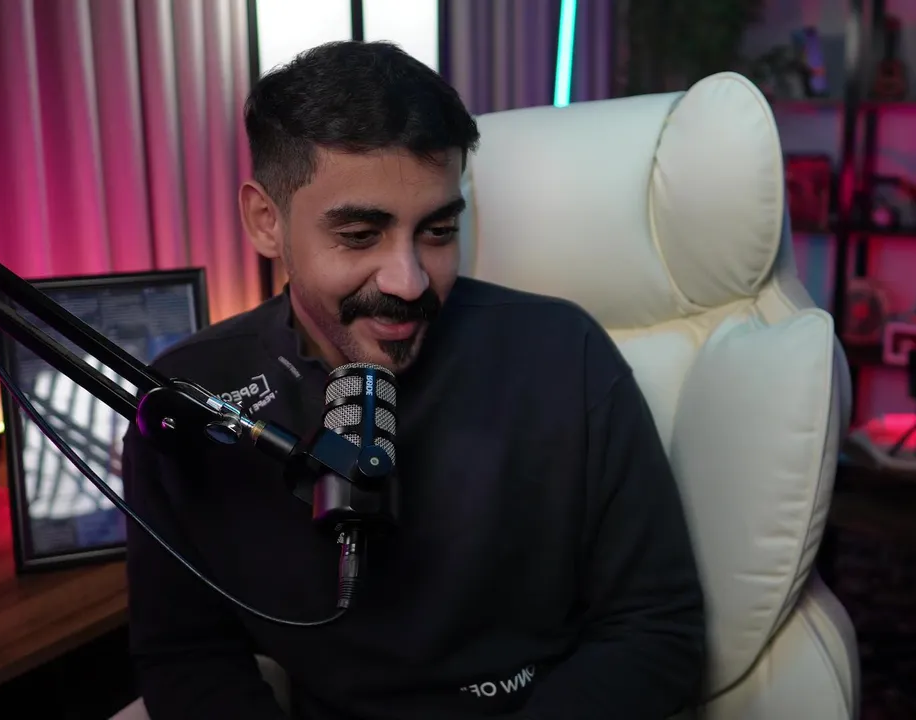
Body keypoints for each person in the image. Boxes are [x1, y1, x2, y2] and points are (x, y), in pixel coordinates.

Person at [123, 40, 705, 720]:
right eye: (360, 235)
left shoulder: (563, 354)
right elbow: (188, 656)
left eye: (437, 231)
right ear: (266, 221)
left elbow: (658, 631)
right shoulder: (190, 398)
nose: (409, 281)